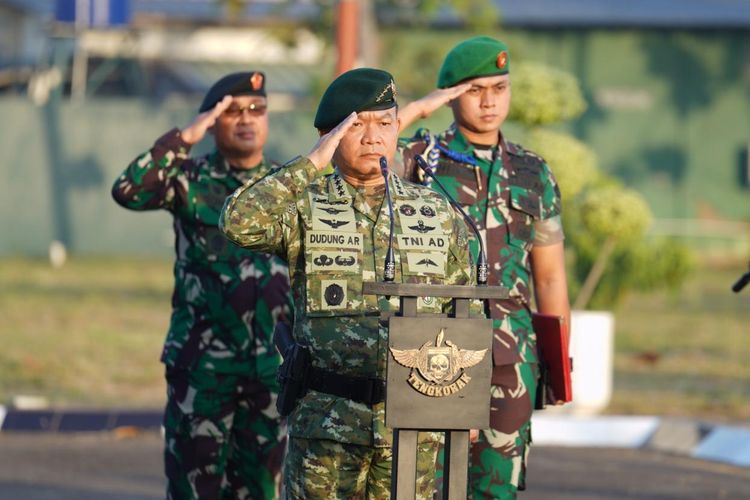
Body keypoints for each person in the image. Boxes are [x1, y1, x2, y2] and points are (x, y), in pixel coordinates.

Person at [220, 68, 475, 499]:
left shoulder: (436, 209)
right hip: (327, 426)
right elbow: (237, 222)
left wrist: (462, 403)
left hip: (414, 425)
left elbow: (465, 307)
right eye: (357, 125)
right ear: (330, 135)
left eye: (385, 123)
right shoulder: (304, 206)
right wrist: (310, 163)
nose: (374, 137)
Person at [396, 36, 571, 499]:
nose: (490, 101)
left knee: (498, 490)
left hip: (511, 360)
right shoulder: (419, 160)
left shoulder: (534, 172)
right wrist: (421, 106)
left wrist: (557, 367)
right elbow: (357, 147)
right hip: (433, 352)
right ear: (451, 95)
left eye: (500, 87)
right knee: (424, 488)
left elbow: (549, 276)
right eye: (475, 90)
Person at [111, 71, 291, 500]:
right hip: (203, 367)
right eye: (232, 112)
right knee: (194, 487)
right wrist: (187, 135)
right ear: (214, 121)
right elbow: (128, 190)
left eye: (257, 110)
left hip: (271, 365)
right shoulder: (189, 178)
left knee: (263, 489)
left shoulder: (286, 186)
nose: (247, 120)